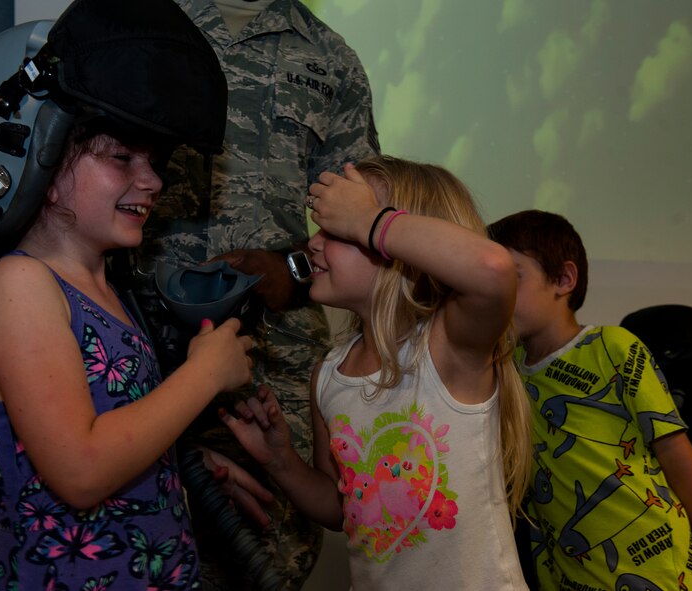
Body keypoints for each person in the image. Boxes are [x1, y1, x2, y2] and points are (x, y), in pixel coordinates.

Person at [0, 0, 257, 588]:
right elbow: (80, 468)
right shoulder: (19, 287)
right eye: (121, 157)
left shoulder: (104, 288)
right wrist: (203, 375)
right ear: (45, 163)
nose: (152, 180)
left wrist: (169, 473)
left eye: (155, 161)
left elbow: (108, 427)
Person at [132, 1, 380, 588]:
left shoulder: (331, 59)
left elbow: (363, 221)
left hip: (272, 363)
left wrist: (290, 266)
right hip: (141, 346)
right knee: (138, 540)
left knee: (270, 554)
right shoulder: (141, 20)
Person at [220, 155, 533, 589]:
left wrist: (368, 220)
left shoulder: (448, 348)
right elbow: (342, 506)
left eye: (338, 229)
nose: (312, 243)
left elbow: (493, 270)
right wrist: (281, 462)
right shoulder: (330, 375)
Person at [486, 209, 692, 591]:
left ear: (564, 279)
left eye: (514, 277)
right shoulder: (506, 370)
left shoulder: (614, 348)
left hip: (663, 576)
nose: (498, 293)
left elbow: (682, 465)